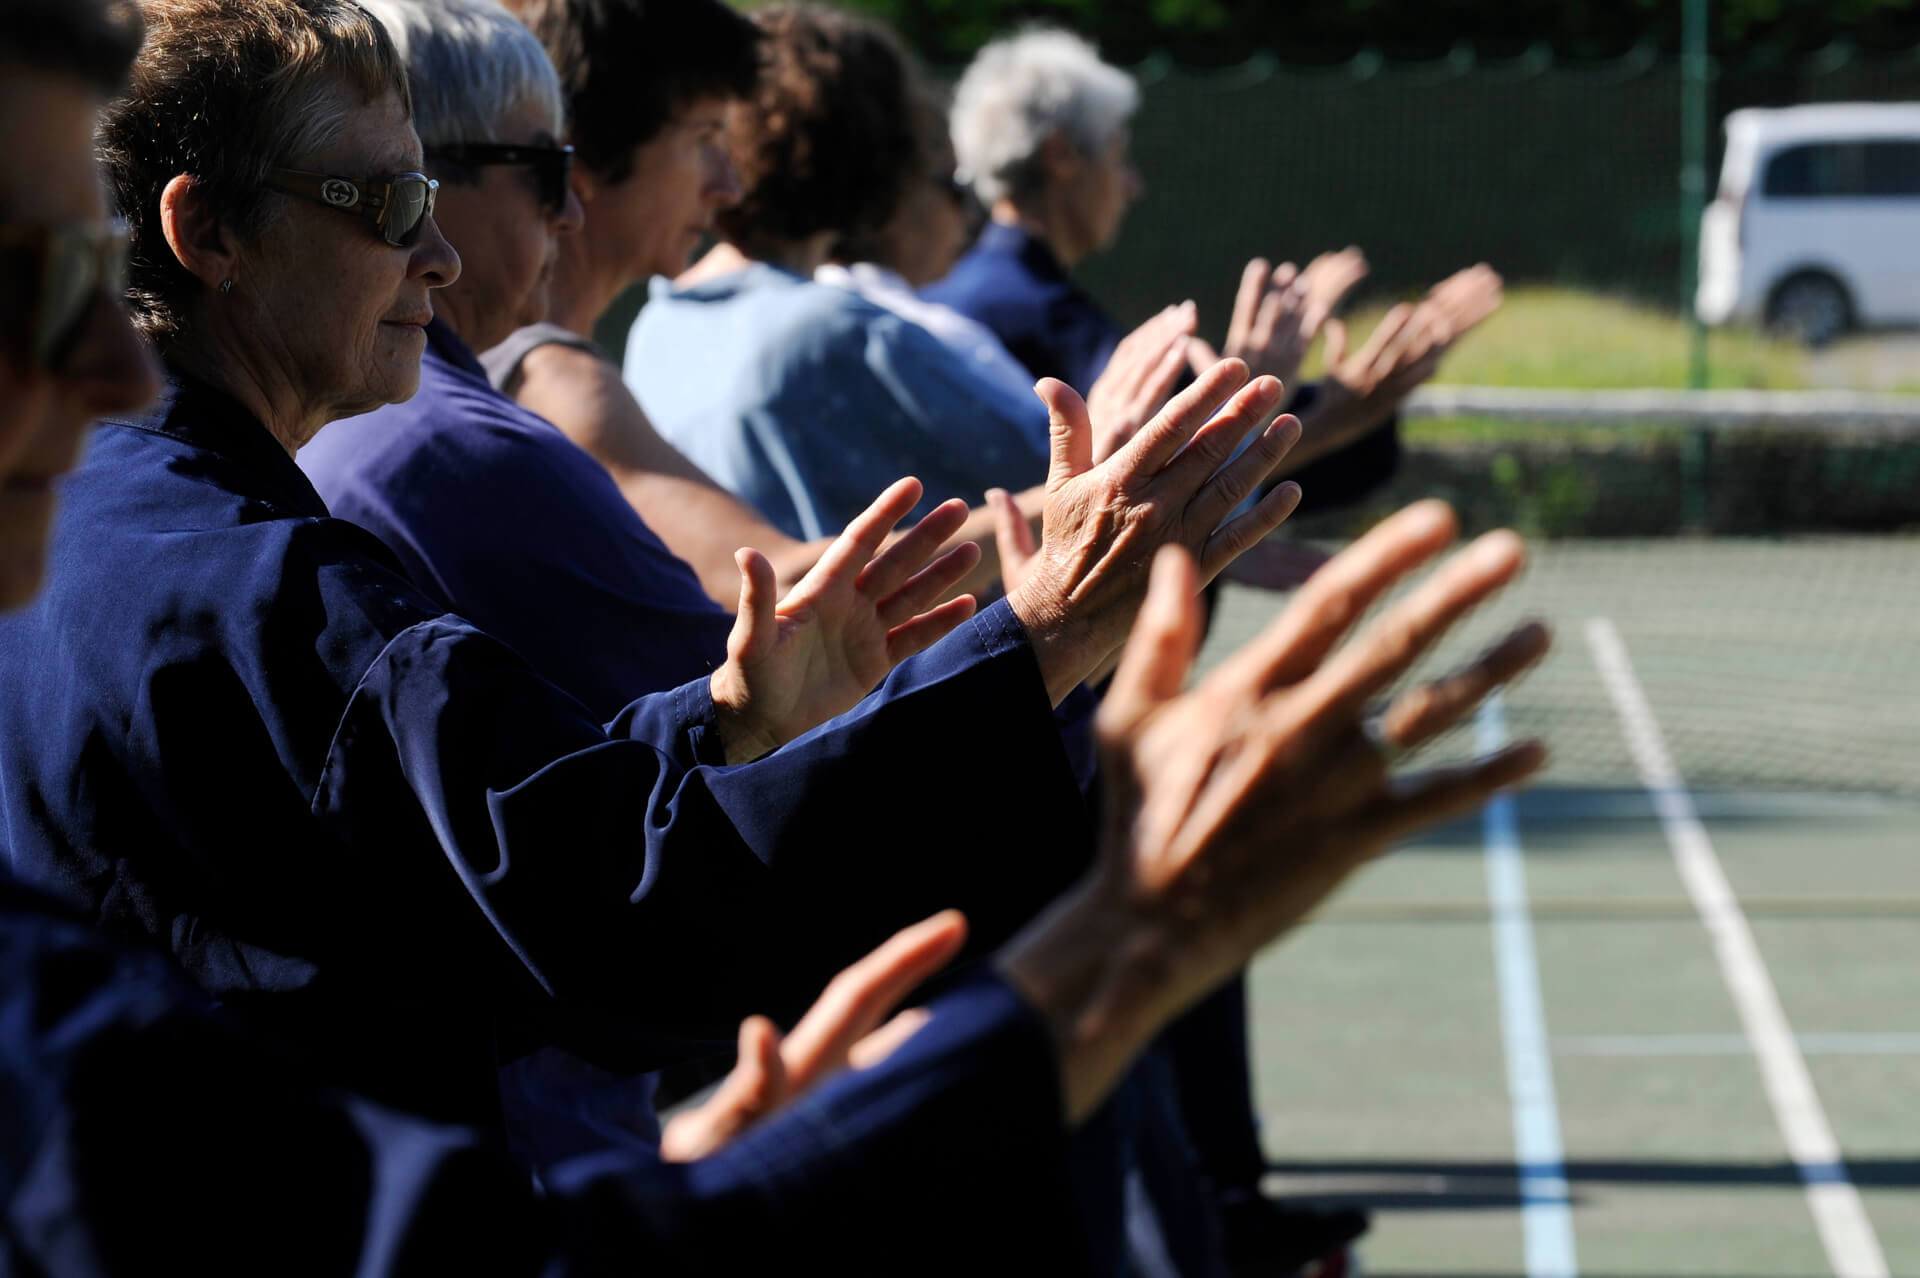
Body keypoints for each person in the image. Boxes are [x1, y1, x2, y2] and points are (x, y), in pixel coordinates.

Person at [0, 5, 1554, 1268]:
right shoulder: (278, 574)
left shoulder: (112, 520)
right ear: (205, 234)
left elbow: (525, 823)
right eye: (390, 203)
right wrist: (1071, 724)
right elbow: (625, 900)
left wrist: (727, 717)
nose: (447, 257)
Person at [622, 5, 1198, 543]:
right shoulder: (842, 332)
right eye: (943, 178)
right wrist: (1129, 432)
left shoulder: (661, 317)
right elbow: (1067, 479)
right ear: (885, 152)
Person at [928, 27, 1505, 519]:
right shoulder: (1045, 318)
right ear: (1060, 156)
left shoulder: (957, 298)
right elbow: (1145, 491)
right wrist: (1343, 407)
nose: (1131, 185)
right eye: (1118, 157)